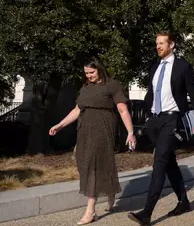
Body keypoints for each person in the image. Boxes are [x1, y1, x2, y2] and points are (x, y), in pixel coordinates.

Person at [128, 31, 194, 226]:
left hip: (172, 121)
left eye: (162, 43)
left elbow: (193, 95)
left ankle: (147, 212)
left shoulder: (182, 66)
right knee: (169, 162)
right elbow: (151, 93)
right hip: (155, 121)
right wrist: (147, 116)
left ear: (172, 45)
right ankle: (184, 202)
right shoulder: (155, 67)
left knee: (160, 162)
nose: (158, 46)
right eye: (156, 43)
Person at [49, 58, 136, 225]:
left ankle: (90, 211)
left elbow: (122, 110)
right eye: (86, 73)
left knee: (93, 165)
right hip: (84, 132)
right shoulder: (85, 88)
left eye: (92, 72)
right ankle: (110, 191)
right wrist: (60, 125)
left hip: (103, 129)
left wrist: (131, 132)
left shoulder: (112, 85)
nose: (88, 76)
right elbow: (77, 110)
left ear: (100, 69)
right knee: (86, 163)